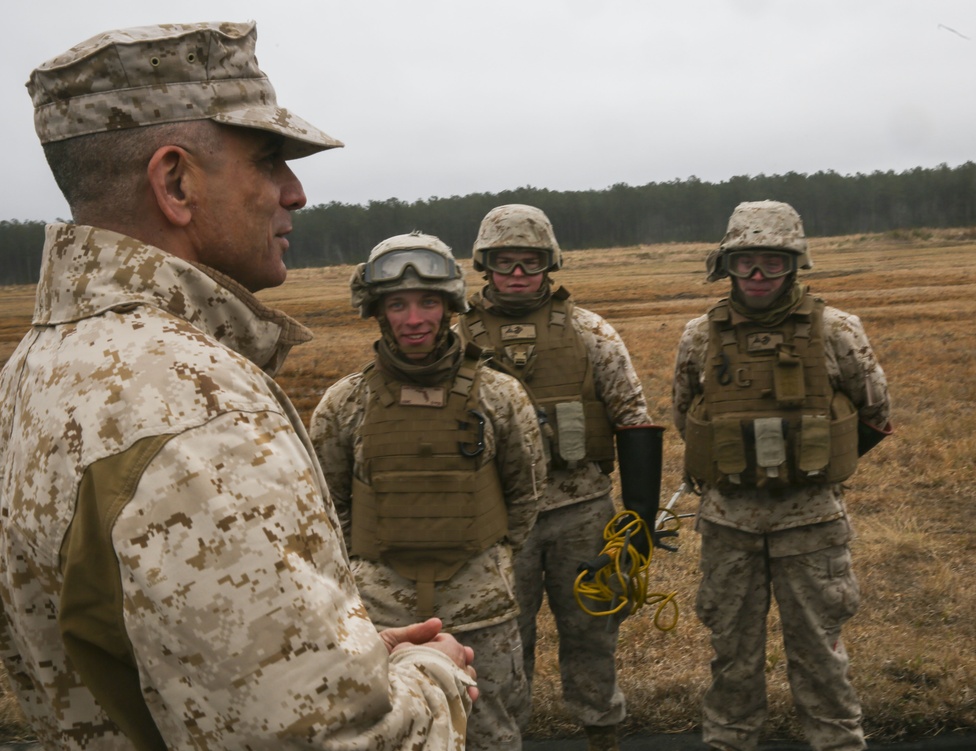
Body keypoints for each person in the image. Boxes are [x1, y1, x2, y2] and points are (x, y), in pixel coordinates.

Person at [0, 22, 478, 750]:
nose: (297, 192)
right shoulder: (196, 404)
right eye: (270, 159)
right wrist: (429, 672)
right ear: (176, 182)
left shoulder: (30, 372)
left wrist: (322, 654)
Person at [308, 231, 545, 751]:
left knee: (494, 736)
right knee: (390, 737)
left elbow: (525, 497)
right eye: (398, 304)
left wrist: (487, 564)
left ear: (450, 307)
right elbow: (327, 511)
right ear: (378, 310)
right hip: (383, 614)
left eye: (427, 302)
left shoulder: (500, 395)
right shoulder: (344, 403)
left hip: (483, 607)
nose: (414, 319)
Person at [672, 200, 893, 751]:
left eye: (773, 261)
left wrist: (821, 459)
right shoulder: (700, 335)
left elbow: (876, 413)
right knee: (732, 656)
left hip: (812, 523)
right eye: (746, 261)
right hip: (728, 526)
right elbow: (685, 416)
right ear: (727, 264)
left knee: (821, 653)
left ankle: (836, 742)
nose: (758, 274)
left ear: (796, 264)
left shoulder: (838, 329)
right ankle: (730, 741)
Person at [457, 204, 662, 751]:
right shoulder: (454, 339)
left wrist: (639, 517)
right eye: (506, 263)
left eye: (530, 262)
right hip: (496, 521)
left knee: (593, 632)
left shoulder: (590, 331)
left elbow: (633, 418)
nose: (519, 274)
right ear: (486, 266)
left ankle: (603, 733)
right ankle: (505, 740)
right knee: (500, 646)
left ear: (549, 264)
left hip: (583, 510)